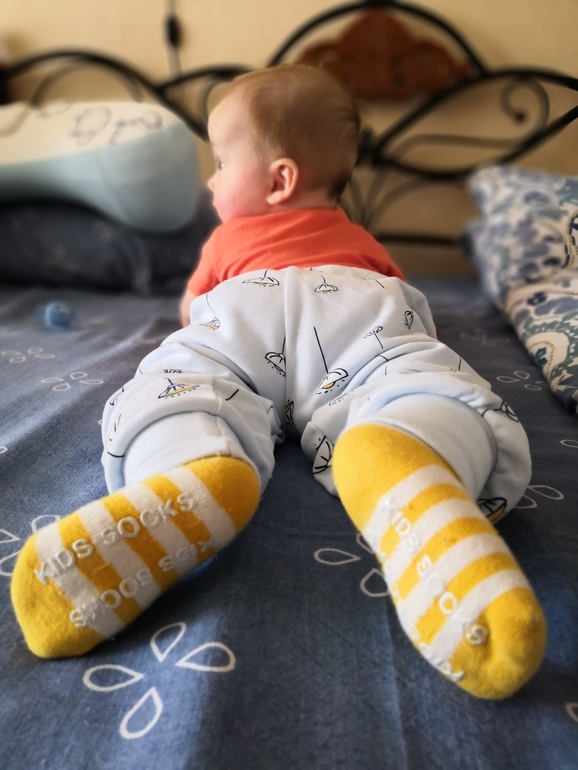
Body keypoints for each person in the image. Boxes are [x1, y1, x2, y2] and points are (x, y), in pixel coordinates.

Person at [11, 64, 546, 700]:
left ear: (279, 180)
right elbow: (413, 315)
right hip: (355, 304)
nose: (210, 181)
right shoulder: (362, 241)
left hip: (248, 308)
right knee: (411, 377)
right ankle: (408, 448)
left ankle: (190, 467)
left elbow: (192, 313)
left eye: (220, 162)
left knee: (184, 381)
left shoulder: (225, 241)